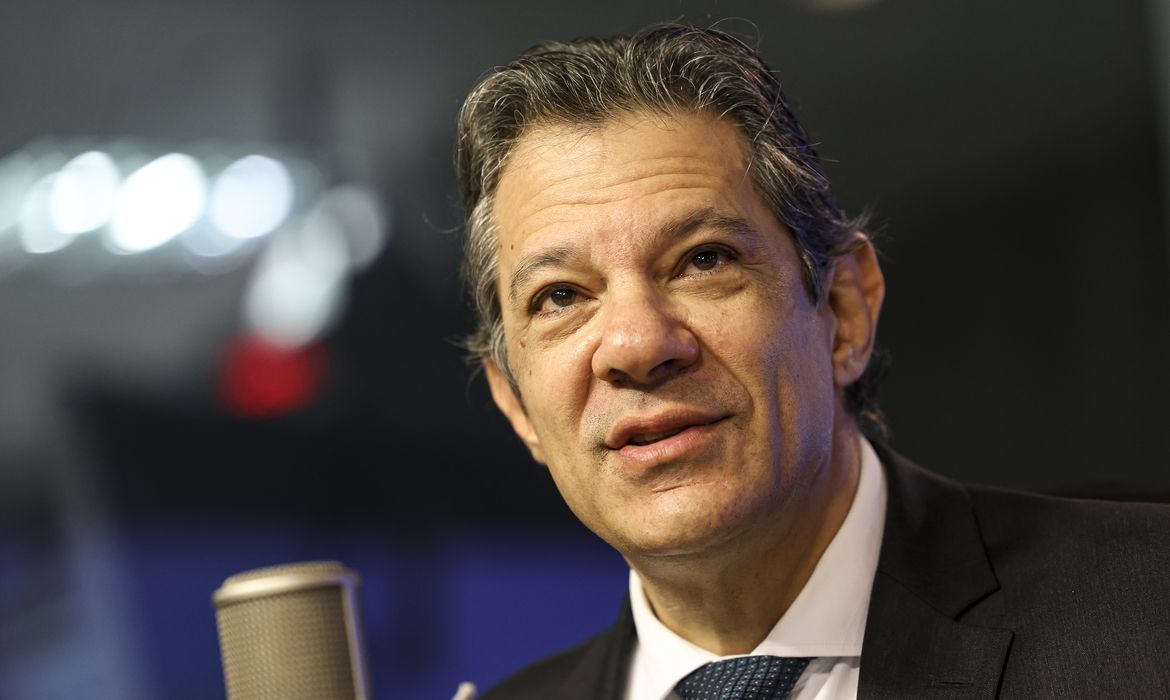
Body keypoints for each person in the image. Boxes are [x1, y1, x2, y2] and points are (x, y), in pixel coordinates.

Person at [453, 23, 1170, 699]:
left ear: (845, 312)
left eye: (704, 260)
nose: (638, 345)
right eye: (561, 296)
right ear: (515, 403)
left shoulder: (1148, 612)